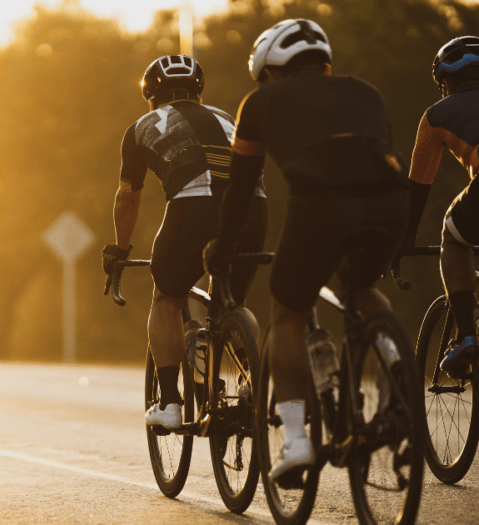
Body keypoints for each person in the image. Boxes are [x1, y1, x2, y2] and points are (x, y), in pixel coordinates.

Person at [204, 19, 409, 482]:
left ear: (271, 69)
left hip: (320, 202)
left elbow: (240, 189)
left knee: (288, 312)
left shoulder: (258, 102)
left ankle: (296, 442)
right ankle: (399, 369)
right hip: (390, 201)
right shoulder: (366, 91)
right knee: (359, 286)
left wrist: (223, 246)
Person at [102, 55, 267, 430]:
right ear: (198, 91)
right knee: (231, 303)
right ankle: (253, 383)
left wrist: (121, 249)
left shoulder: (142, 125)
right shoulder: (228, 117)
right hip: (254, 208)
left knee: (167, 297)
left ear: (150, 94)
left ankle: (171, 404)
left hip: (194, 207)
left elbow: (128, 196)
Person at [403, 36, 479, 374]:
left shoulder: (437, 114)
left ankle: (467, 337)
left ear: (447, 80)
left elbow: (419, 186)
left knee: (453, 230)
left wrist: (406, 239)